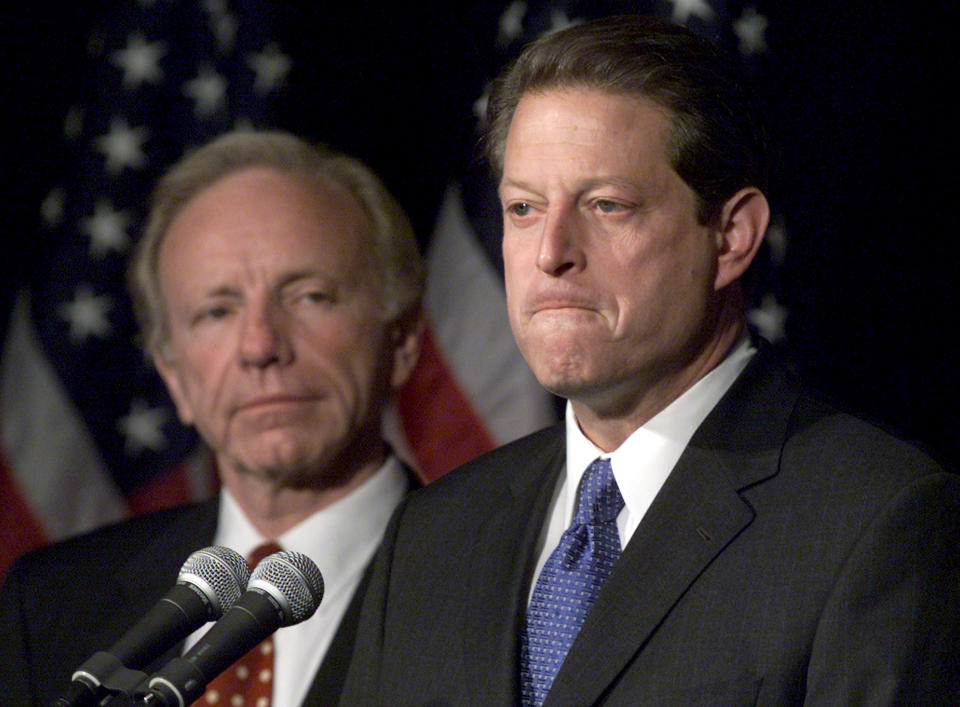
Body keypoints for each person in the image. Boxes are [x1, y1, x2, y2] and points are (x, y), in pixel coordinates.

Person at [339, 15, 960, 706]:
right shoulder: (431, 535)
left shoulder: (871, 521)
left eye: (606, 206)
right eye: (522, 207)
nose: (551, 252)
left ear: (730, 236)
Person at [0, 130, 426, 706]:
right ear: (174, 376)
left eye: (310, 296)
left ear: (401, 339)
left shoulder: (494, 584)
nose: (259, 345)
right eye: (216, 311)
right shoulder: (49, 605)